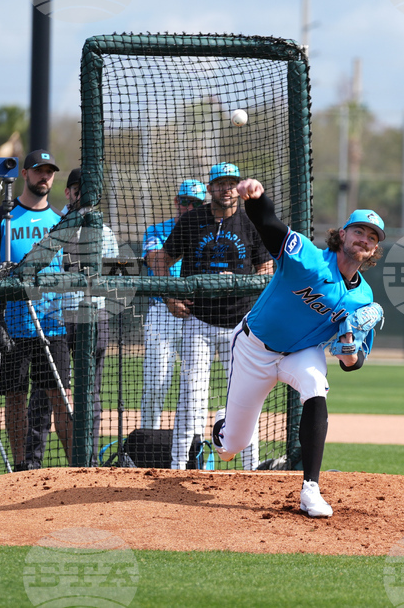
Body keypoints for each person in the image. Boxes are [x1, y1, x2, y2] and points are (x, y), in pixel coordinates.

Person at [212, 177, 385, 518]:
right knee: (233, 447)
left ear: (374, 250)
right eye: (359, 231)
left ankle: (310, 489)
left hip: (301, 353)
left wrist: (350, 354)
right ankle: (222, 424)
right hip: (253, 349)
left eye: (373, 237)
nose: (365, 239)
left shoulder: (363, 299)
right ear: (343, 234)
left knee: (315, 386)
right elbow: (270, 227)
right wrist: (257, 199)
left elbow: (354, 362)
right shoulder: (308, 258)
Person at [146, 163, 272, 470]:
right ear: (210, 188)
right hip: (198, 323)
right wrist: (169, 295)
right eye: (220, 183)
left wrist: (253, 293)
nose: (226, 189)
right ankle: (178, 467)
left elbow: (266, 268)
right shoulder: (192, 220)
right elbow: (162, 258)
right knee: (192, 399)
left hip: (240, 326)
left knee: (244, 400)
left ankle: (249, 469)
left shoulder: (250, 221)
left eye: (231, 183)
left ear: (238, 187)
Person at [0, 149, 72, 471]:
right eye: (39, 170)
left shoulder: (60, 223)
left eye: (50, 171)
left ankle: (79, 468)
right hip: (12, 329)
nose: (45, 176)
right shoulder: (1, 218)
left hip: (52, 326)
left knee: (61, 399)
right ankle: (19, 471)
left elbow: (72, 275)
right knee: (15, 399)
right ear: (25, 174)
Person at [61, 167, 119, 460]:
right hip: (58, 318)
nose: (82, 195)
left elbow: (117, 273)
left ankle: (90, 458)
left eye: (88, 191)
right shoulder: (54, 224)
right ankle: (33, 464)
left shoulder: (105, 231)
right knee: (49, 391)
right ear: (68, 192)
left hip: (96, 317)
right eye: (77, 189)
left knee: (91, 392)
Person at [139, 179, 206, 430]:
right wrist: (171, 297)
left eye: (196, 203)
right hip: (162, 311)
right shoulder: (158, 230)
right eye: (186, 201)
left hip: (197, 314)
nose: (190, 207)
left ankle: (194, 445)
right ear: (177, 202)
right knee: (156, 382)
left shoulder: (209, 231)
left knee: (195, 385)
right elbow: (155, 259)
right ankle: (148, 440)